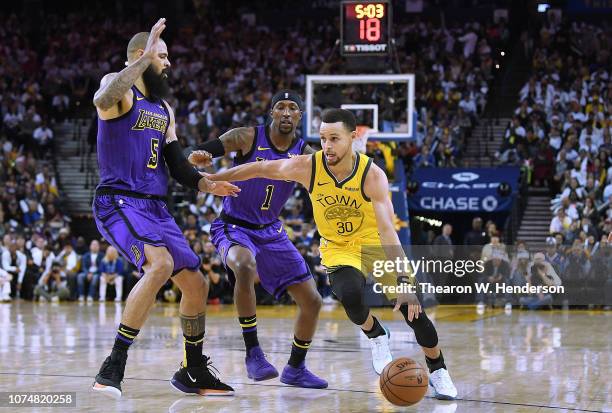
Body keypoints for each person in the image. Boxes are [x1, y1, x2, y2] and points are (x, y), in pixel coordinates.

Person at [207, 108, 458, 399]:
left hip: (375, 243)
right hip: (339, 248)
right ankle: (376, 334)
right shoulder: (309, 167)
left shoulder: (371, 174)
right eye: (323, 138)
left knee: (413, 313)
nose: (327, 145)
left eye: (334, 139)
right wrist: (213, 178)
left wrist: (404, 283)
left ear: (352, 138)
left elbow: (389, 231)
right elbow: (260, 168)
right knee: (350, 295)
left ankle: (438, 370)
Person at [90, 19, 239, 398]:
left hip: (156, 206)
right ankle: (114, 363)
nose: (169, 63)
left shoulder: (164, 108)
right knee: (161, 265)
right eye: (163, 55)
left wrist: (206, 183)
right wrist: (141, 60)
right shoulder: (117, 88)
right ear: (141, 57)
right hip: (119, 200)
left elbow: (175, 163)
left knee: (196, 283)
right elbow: (102, 101)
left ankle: (192, 370)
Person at [188, 91, 326, 388]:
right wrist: (201, 154)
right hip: (234, 227)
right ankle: (253, 352)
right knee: (244, 265)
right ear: (272, 113)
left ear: (300, 116)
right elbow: (208, 149)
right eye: (281, 107)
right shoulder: (247, 137)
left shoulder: (306, 153)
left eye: (293, 108)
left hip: (272, 231)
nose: (287, 112)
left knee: (313, 301)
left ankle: (296, 368)